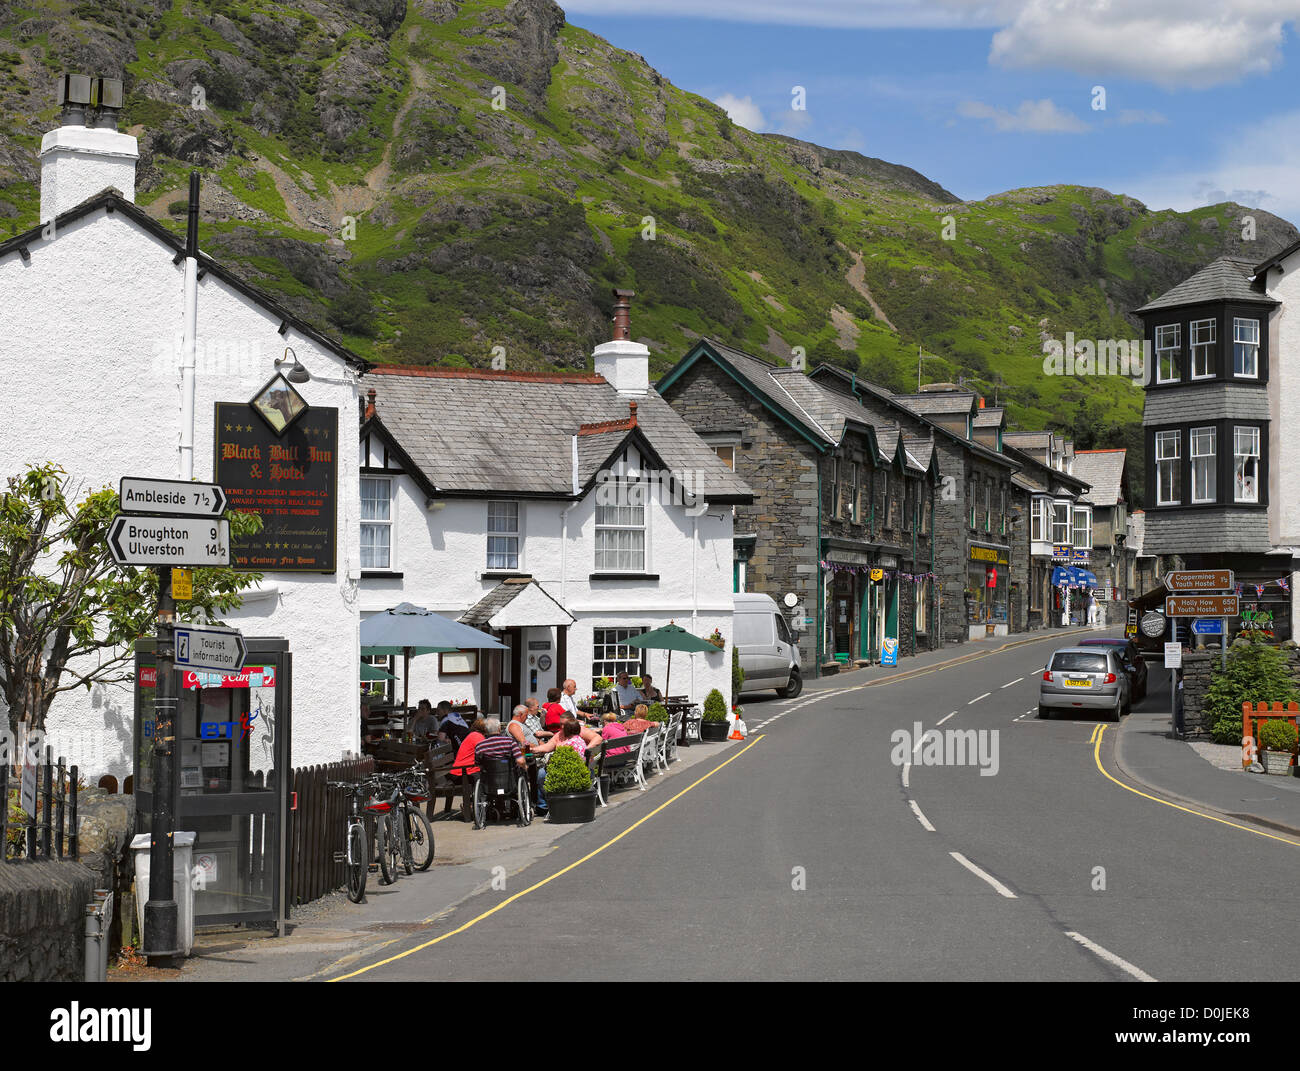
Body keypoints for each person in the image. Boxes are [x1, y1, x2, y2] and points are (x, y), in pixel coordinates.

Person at [447, 717, 487, 817]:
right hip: (461, 774)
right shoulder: (477, 737)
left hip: (460, 771)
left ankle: (471, 804)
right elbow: (485, 753)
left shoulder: (473, 735)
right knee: (485, 775)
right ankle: (471, 805)